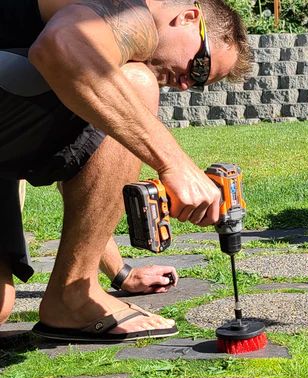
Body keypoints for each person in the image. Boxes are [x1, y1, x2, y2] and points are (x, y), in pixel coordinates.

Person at [0, 0, 251, 341]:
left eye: (198, 83)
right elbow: (60, 46)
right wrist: (175, 164)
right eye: (198, 66)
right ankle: (72, 297)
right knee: (134, 83)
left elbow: (82, 164)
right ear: (189, 18)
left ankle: (74, 292)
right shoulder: (133, 10)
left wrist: (120, 273)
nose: (185, 84)